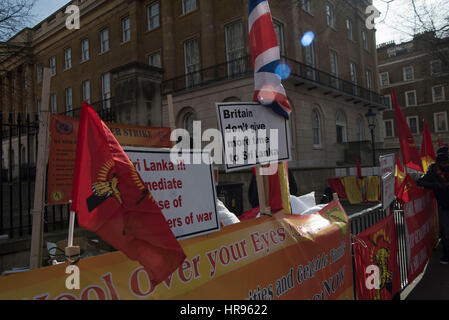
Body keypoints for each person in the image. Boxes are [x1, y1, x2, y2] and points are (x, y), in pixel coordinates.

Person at [417, 146, 449, 265]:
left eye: (447, 163)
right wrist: (435, 185)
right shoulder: (433, 172)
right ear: (439, 163)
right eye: (443, 163)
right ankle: (447, 255)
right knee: (446, 232)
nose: (446, 165)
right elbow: (419, 182)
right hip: (445, 206)